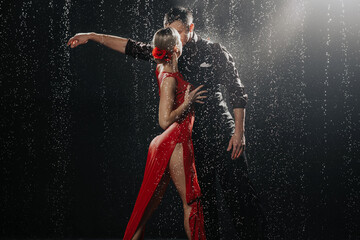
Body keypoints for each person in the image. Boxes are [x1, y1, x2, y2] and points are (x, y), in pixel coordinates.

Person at [68, 7, 264, 240]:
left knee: (241, 196)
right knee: (204, 202)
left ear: (191, 28)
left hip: (222, 130)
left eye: (180, 32)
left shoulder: (213, 50)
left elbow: (237, 90)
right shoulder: (168, 52)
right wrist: (92, 36)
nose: (175, 38)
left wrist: (239, 132)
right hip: (193, 137)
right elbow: (130, 47)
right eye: (171, 32)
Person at [124, 27, 207, 239]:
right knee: (191, 200)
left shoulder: (162, 69)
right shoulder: (169, 76)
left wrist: (92, 37)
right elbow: (164, 120)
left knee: (148, 208)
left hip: (167, 143)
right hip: (175, 140)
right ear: (177, 48)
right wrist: (188, 102)